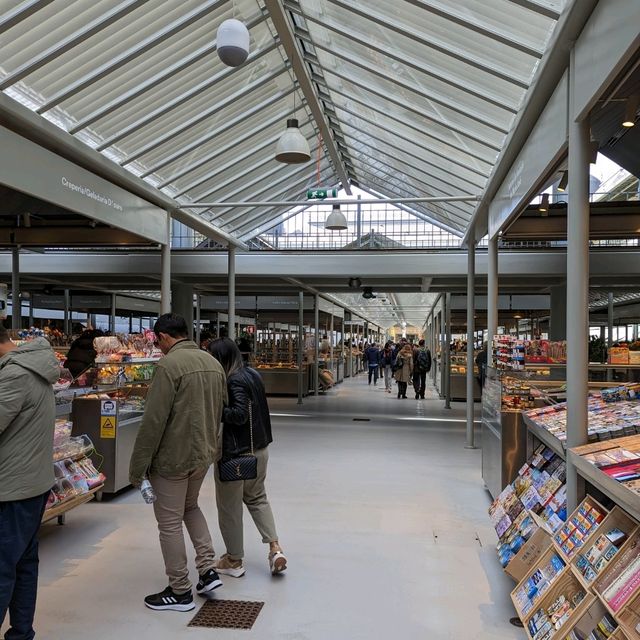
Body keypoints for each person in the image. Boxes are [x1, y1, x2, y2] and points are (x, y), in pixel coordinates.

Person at [129, 313, 227, 612]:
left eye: (158, 342)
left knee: (169, 522)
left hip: (172, 458)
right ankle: (208, 571)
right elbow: (220, 409)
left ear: (164, 337)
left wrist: (137, 467)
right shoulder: (213, 363)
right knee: (191, 507)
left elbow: (154, 420)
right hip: (202, 454)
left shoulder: (169, 366)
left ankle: (180, 590)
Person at [207, 338, 286, 578]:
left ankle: (233, 560)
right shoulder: (253, 374)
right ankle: (275, 548)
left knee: (229, 508)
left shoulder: (232, 381)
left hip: (236, 454)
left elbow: (239, 415)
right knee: (258, 498)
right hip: (259, 450)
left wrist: (213, 408)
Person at [0, 323, 60, 640]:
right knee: (24, 563)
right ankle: (21, 632)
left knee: (3, 567)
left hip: (11, 488)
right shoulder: (33, 367)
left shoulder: (14, 375)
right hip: (32, 483)